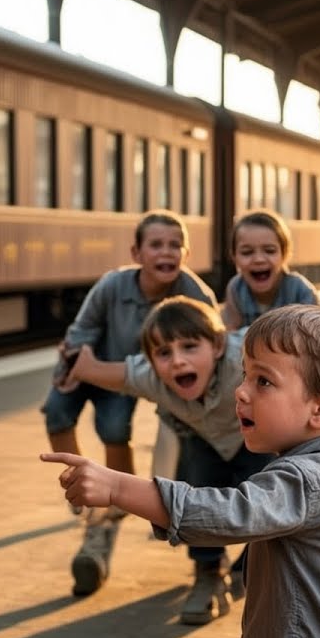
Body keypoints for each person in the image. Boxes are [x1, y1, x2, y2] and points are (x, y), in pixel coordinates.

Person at [43, 305, 320, 638]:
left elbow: (230, 515)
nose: (241, 392)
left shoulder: (312, 478)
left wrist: (117, 486)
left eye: (263, 381)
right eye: (245, 376)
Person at [66, 297, 273, 625]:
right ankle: (208, 572)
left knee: (269, 503)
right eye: (164, 353)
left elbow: (292, 348)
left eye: (190, 347)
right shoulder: (152, 377)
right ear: (151, 361)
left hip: (262, 439)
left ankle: (257, 565)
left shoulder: (244, 354)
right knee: (196, 494)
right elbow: (114, 375)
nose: (177, 362)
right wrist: (80, 364)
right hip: (204, 441)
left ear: (218, 346)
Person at [43, 210, 216, 596]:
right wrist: (70, 368)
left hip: (131, 379)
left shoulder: (194, 293)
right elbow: (83, 328)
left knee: (113, 425)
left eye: (175, 245)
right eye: (156, 245)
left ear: (186, 254)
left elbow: (214, 336)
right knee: (56, 411)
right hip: (88, 364)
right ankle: (75, 488)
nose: (165, 252)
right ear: (137, 252)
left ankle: (116, 503)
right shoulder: (112, 285)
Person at [220, 209, 318, 330]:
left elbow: (314, 337)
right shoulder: (236, 288)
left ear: (285, 254)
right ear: (234, 257)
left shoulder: (301, 290)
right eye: (247, 252)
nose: (259, 259)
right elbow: (230, 332)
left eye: (269, 251)